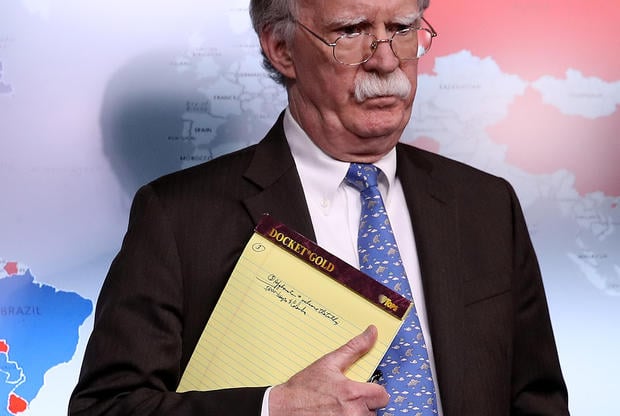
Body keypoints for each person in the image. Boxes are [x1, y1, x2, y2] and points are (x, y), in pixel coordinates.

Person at [69, 0, 570, 414]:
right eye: (351, 31)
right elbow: (106, 406)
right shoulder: (177, 217)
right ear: (281, 49)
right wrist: (271, 409)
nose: (386, 60)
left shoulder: (487, 204)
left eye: (402, 29)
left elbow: (538, 402)